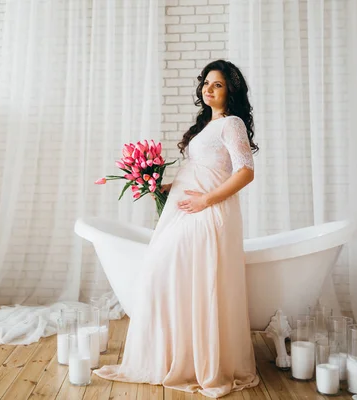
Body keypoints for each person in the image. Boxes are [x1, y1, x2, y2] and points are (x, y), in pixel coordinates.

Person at [93, 59, 260, 398]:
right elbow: (201, 169)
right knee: (169, 275)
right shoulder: (206, 127)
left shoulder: (232, 123)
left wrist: (207, 200)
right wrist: (162, 185)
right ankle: (177, 354)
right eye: (206, 83)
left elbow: (245, 171)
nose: (208, 89)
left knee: (187, 275)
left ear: (231, 91)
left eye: (218, 84)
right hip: (188, 210)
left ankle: (200, 361)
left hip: (208, 213)